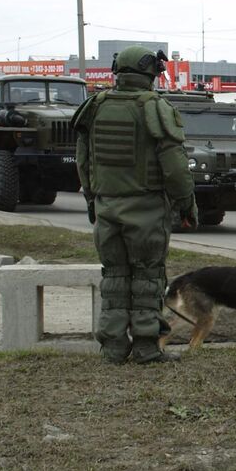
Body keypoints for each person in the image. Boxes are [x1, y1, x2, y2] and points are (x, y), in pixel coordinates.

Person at [72, 46, 197, 364]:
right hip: (145, 208)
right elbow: (175, 165)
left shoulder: (96, 106)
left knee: (114, 276)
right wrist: (186, 203)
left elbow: (83, 158)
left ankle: (113, 347)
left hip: (107, 205)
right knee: (147, 277)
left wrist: (91, 196)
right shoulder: (154, 107)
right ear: (150, 73)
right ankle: (145, 346)